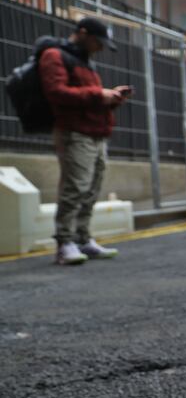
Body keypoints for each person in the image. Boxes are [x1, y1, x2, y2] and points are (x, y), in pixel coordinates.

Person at [41, 17, 132, 265]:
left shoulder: (84, 62)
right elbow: (56, 92)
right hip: (74, 132)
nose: (100, 48)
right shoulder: (54, 55)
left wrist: (110, 98)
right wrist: (98, 94)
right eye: (97, 42)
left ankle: (82, 238)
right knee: (75, 188)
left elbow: (88, 98)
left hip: (96, 132)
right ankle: (64, 243)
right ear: (82, 33)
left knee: (91, 188)